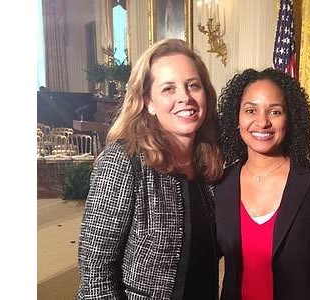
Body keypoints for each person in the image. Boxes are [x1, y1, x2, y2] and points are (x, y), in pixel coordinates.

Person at [77, 39, 224, 299]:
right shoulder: (124, 161)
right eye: (168, 88)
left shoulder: (211, 161)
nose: (185, 97)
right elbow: (94, 274)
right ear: (149, 102)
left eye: (193, 85)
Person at [216, 68, 310, 300]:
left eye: (275, 111)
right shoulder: (221, 184)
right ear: (236, 118)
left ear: (290, 119)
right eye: (250, 110)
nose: (262, 122)